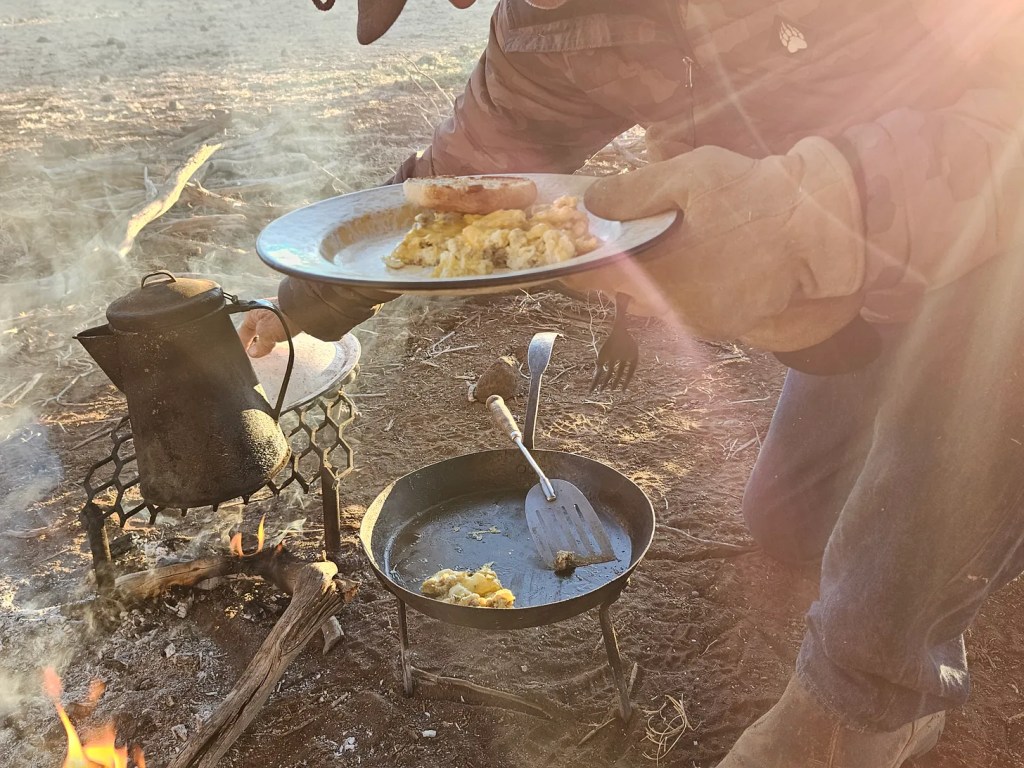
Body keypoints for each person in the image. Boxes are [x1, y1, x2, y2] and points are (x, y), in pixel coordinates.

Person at [240, 1, 1024, 765]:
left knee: (969, 400)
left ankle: (860, 709)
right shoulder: (546, 14)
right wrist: (302, 304)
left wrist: (813, 211)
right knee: (793, 523)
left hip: (991, 260)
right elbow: (472, 176)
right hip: (855, 293)